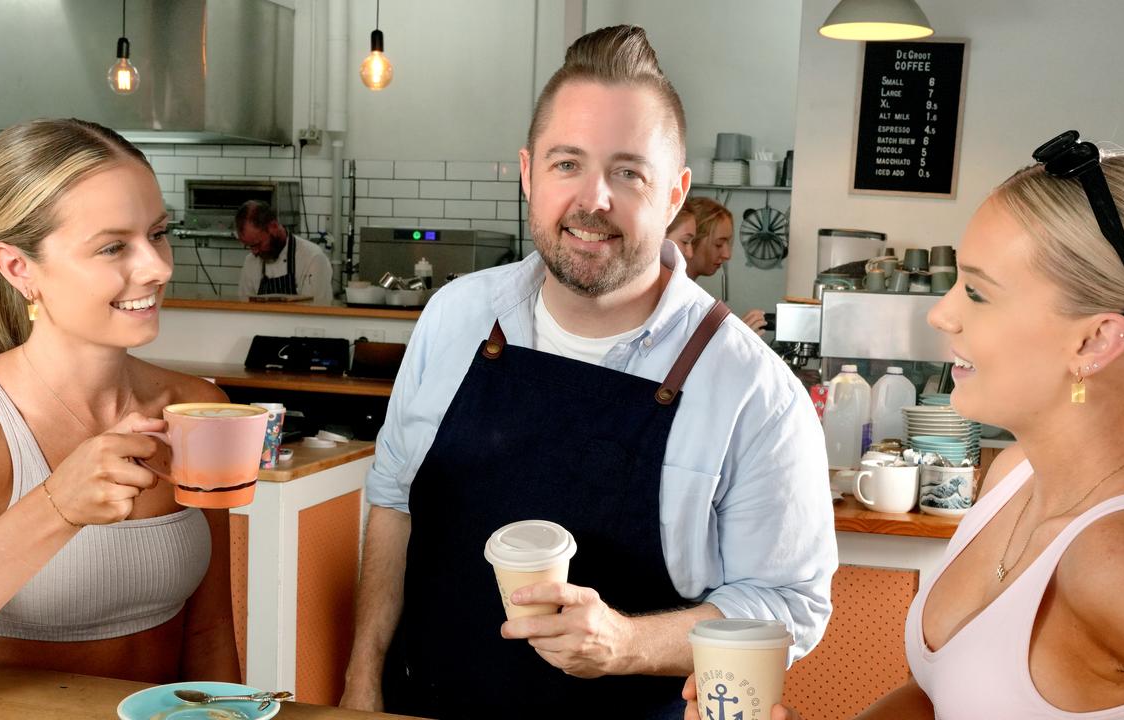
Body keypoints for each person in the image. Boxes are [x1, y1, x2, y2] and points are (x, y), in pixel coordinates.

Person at [340, 25, 835, 719]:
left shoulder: (752, 391)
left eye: (628, 171)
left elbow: (787, 609)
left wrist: (627, 643)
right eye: (566, 163)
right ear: (527, 173)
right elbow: (394, 504)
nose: (592, 198)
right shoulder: (455, 318)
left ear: (674, 194)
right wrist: (361, 685)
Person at [688, 132, 1124, 719]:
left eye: (977, 292)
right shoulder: (1013, 475)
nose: (941, 312)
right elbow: (938, 698)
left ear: (1095, 339)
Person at [0, 119, 240, 683]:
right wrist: (57, 505)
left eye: (158, 233)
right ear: (18, 267)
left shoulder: (197, 404)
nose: (158, 268)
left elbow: (209, 630)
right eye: (113, 246)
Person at [683, 196, 767, 334]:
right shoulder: (677, 297)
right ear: (692, 240)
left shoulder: (692, 295)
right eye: (718, 244)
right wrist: (737, 337)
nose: (727, 255)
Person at [234, 200, 333, 304]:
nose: (254, 252)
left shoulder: (312, 258)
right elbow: (245, 310)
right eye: (249, 246)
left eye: (257, 244)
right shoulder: (250, 262)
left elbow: (316, 313)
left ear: (274, 226)